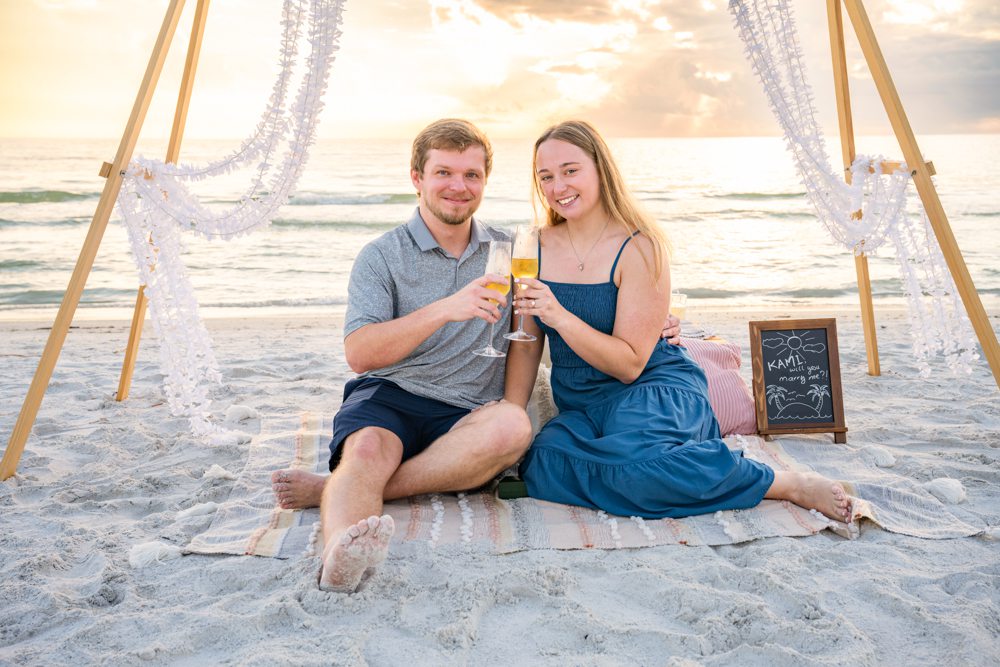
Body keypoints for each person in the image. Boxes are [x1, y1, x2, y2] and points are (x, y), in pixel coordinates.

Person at [273, 119, 682, 593]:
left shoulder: (513, 249)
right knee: (366, 450)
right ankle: (339, 557)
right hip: (393, 394)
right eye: (444, 173)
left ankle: (337, 488)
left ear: (485, 180)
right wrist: (445, 309)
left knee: (513, 425)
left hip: (471, 411)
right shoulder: (381, 256)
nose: (458, 186)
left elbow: (562, 306)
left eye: (471, 175)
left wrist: (662, 319)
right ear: (417, 178)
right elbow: (360, 353)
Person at [503, 120, 852, 523]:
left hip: (651, 391)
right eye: (546, 177)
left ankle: (784, 483)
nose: (558, 186)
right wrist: (512, 417)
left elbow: (630, 365)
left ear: (600, 169)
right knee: (544, 462)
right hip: (582, 405)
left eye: (570, 171)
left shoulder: (639, 247)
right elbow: (526, 344)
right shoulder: (533, 247)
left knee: (640, 467)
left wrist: (560, 317)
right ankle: (687, 465)